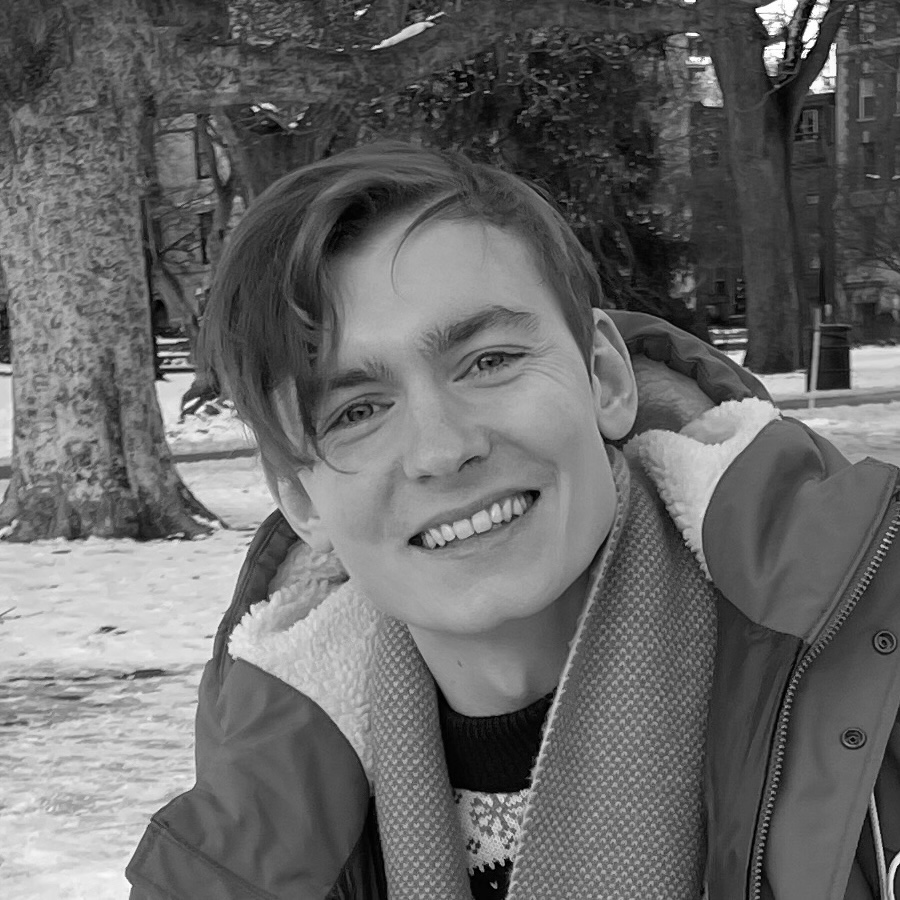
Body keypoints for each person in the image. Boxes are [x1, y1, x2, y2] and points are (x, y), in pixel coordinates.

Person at [126, 143, 900, 900]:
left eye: (488, 361)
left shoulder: (878, 675)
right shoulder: (246, 849)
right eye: (356, 412)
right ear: (300, 501)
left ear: (603, 377)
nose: (442, 449)